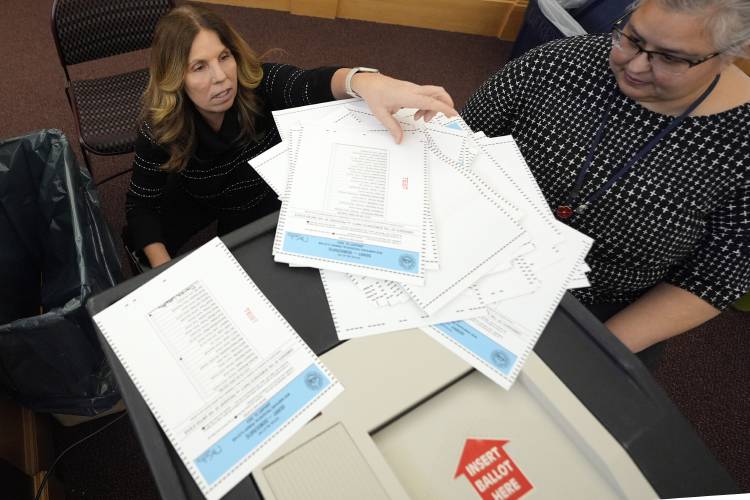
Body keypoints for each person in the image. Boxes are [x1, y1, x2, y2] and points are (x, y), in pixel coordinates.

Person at [461, 0, 750, 355]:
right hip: (474, 253)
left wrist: (593, 350)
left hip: (597, 306)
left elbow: (713, 279)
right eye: (631, 37)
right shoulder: (557, 64)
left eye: (671, 58)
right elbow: (458, 145)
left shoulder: (740, 144)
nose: (634, 64)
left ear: (733, 53)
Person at [126, 4, 456, 269]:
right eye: (199, 67)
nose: (222, 78)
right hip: (200, 196)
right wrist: (163, 271)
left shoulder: (259, 85)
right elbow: (141, 204)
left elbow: (309, 83)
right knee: (139, 243)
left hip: (263, 200)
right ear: (174, 77)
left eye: (224, 57)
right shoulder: (159, 128)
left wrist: (366, 82)